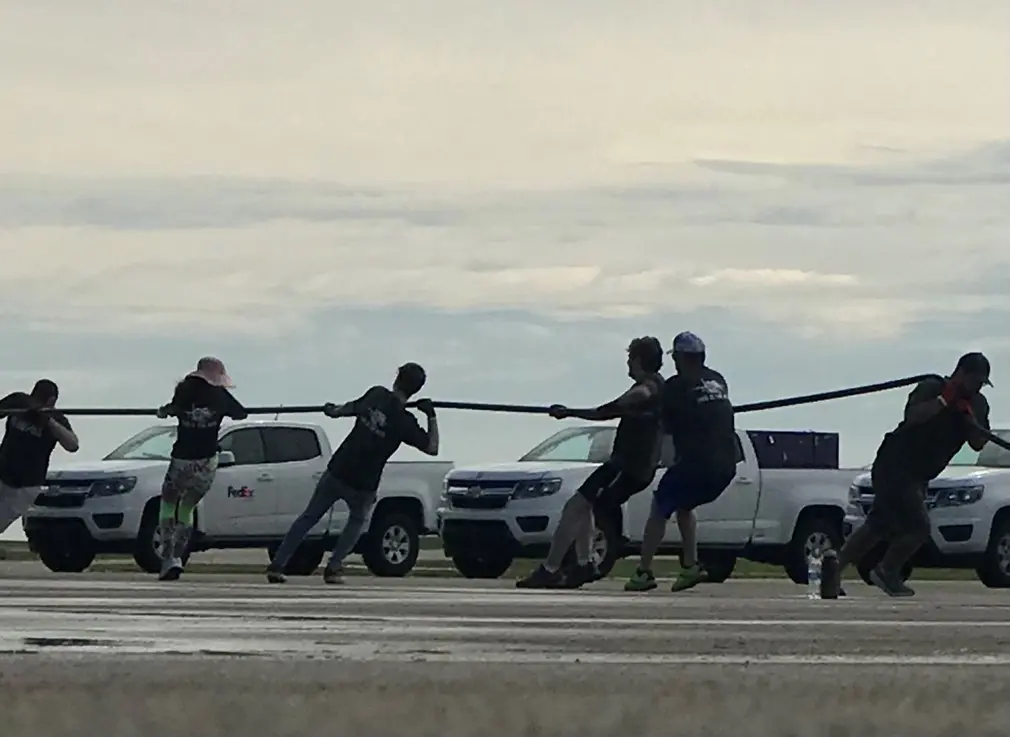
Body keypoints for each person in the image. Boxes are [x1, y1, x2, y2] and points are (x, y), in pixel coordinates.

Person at [822, 352, 992, 598]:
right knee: (918, 527)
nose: (978, 387)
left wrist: (969, 417)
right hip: (895, 464)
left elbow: (978, 443)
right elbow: (912, 417)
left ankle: (835, 568)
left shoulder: (978, 404)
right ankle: (886, 570)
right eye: (975, 380)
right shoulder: (931, 388)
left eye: (982, 383)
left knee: (879, 524)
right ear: (961, 374)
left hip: (920, 472)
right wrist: (944, 401)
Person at [266, 362, 439, 584]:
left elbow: (348, 409)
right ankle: (334, 567)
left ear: (396, 378)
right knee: (357, 521)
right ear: (417, 389)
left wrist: (332, 410)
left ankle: (278, 564)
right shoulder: (405, 422)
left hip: (339, 469)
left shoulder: (376, 394)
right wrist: (431, 416)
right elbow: (432, 447)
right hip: (364, 483)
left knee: (309, 517)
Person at [515, 337, 665, 590]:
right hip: (632, 465)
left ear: (639, 360)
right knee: (585, 505)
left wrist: (569, 413)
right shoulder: (659, 386)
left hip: (628, 466)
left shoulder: (647, 387)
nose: (627, 363)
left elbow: (608, 410)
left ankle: (551, 569)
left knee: (576, 505)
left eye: (630, 359)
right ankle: (583, 565)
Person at [624, 331, 737, 593]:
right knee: (683, 506)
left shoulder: (675, 387)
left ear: (682, 359)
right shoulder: (718, 380)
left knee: (660, 505)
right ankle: (690, 565)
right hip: (727, 465)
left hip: (698, 463)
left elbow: (666, 427)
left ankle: (644, 571)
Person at [155, 357, 248, 581]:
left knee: (169, 503)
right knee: (188, 507)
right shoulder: (220, 396)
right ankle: (179, 556)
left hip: (182, 457)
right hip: (207, 460)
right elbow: (241, 413)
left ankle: (168, 557)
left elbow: (171, 409)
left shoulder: (184, 391)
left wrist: (168, 411)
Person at [0, 379, 80, 536]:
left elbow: (73, 445)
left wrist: (48, 421)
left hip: (26, 486)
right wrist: (19, 410)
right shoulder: (19, 401)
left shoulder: (57, 419)